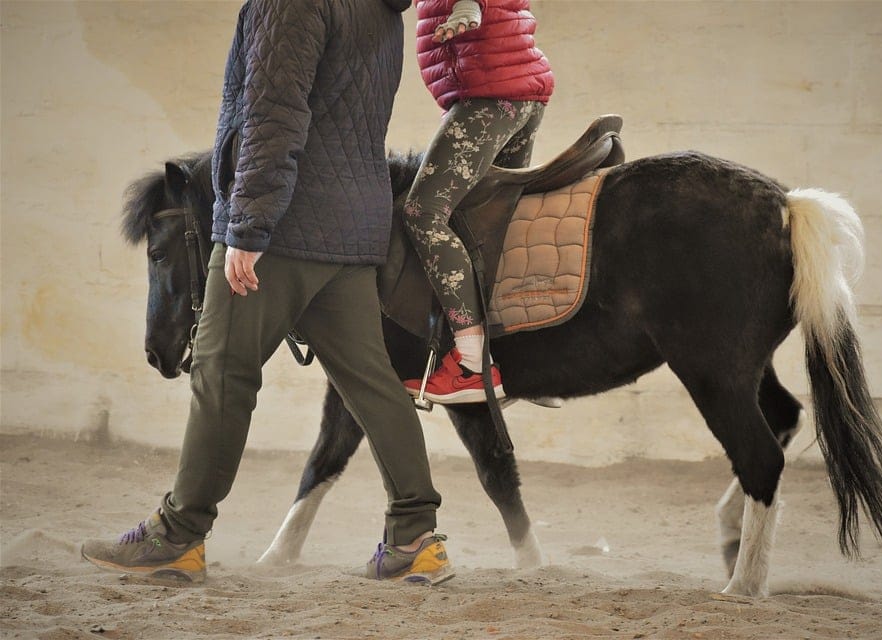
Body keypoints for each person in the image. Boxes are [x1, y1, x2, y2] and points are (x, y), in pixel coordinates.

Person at [81, 0, 454, 586]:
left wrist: (248, 227)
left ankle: (177, 535)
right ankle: (415, 539)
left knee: (220, 371)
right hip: (353, 229)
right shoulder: (381, 11)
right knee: (371, 380)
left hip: (283, 227)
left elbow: (272, 115)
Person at [400, 0, 554, 404]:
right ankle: (524, 357)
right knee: (490, 220)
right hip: (514, 88)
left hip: (488, 92)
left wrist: (470, 5)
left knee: (423, 213)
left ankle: (471, 362)